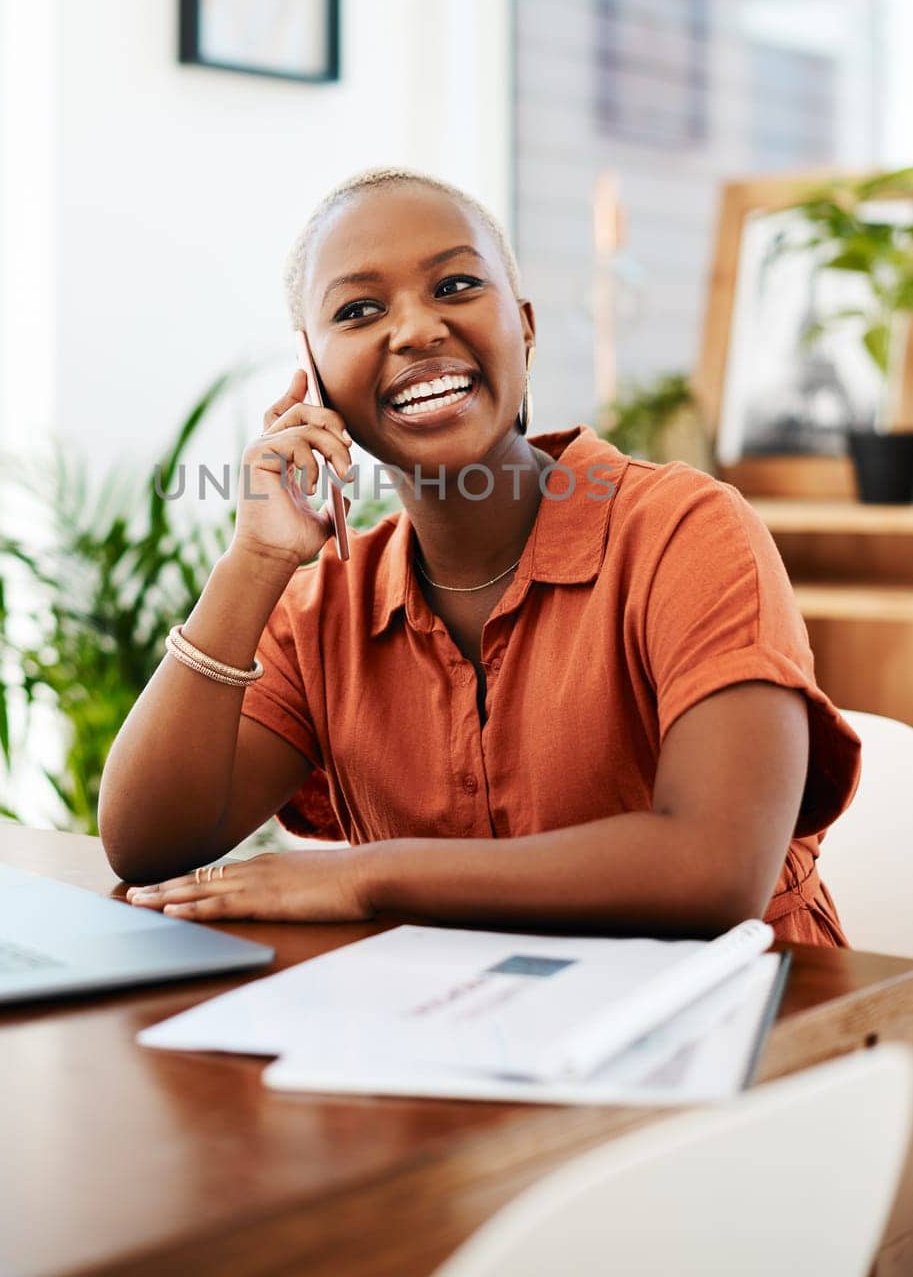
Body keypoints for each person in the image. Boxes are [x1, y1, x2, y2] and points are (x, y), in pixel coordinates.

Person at [99, 168, 860, 945]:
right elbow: (146, 845)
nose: (416, 330)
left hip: (746, 1026)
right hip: (461, 1028)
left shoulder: (684, 531)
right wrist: (253, 560)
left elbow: (713, 869)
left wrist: (367, 876)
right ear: (313, 375)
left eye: (456, 286)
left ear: (524, 326)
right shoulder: (325, 606)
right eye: (359, 310)